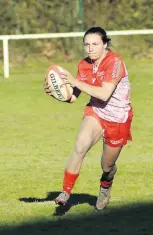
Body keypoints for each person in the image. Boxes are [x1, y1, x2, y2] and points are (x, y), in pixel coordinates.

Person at [44, 26, 133, 210]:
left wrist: (75, 81)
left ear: (105, 44)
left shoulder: (115, 62)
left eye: (95, 44)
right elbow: (73, 97)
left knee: (106, 166)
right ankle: (66, 192)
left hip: (118, 118)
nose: (90, 48)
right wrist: (57, 92)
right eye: (87, 44)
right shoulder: (83, 65)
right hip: (97, 111)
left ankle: (106, 184)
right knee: (80, 145)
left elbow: (105, 93)